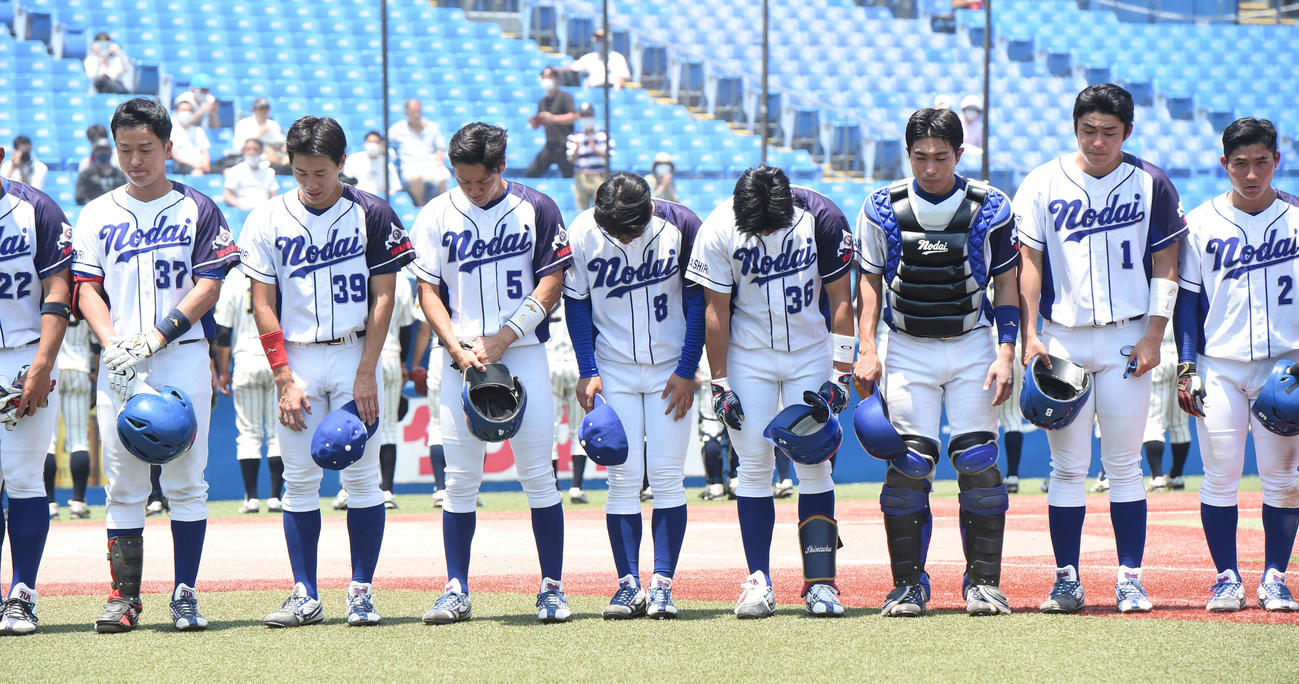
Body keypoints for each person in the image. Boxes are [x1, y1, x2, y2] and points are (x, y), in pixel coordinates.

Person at [237, 115, 415, 628]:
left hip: (357, 350)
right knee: (298, 481)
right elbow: (262, 303)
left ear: (342, 164)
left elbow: (385, 296)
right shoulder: (268, 217)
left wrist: (368, 372)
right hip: (299, 355)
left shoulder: (372, 212)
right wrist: (283, 377)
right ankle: (304, 594)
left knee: (362, 481)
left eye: (321, 172)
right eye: (300, 173)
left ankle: (361, 591)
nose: (311, 184)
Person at [1015, 83, 1186, 614]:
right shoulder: (1042, 182)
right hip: (1062, 336)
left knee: (1124, 464)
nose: (1098, 141)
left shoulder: (1150, 181)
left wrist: (1156, 334)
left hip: (1126, 337)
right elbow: (1029, 265)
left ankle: (1129, 576)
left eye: (1109, 132)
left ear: (1127, 131)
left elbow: (1167, 265)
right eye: (1088, 130)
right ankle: (1067, 577)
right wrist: (1031, 334)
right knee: (1067, 467)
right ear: (1074, 128)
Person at [72, 97, 240, 633]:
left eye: (146, 148)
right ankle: (124, 599)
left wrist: (158, 335)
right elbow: (85, 288)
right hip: (120, 362)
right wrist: (114, 342)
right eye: (126, 150)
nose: (136, 160)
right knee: (123, 482)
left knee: (188, 480)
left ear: (169, 147)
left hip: (182, 355)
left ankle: (185, 593)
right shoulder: (97, 212)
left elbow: (210, 284)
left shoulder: (199, 207)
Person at [853, 108, 1018, 617]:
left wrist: (1007, 352)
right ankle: (907, 585)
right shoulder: (881, 206)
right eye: (920, 156)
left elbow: (1008, 284)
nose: (930, 167)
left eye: (941, 157)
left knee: (978, 461)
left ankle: (984, 583)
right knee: (907, 466)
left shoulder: (991, 205)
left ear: (960, 155)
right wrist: (866, 346)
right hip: (907, 347)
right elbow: (869, 281)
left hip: (973, 344)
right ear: (908, 154)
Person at [408, 122, 573, 624]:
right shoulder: (436, 213)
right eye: (464, 180)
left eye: (481, 180)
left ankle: (551, 587)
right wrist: (457, 348)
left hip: (521, 351)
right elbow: (428, 292)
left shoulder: (537, 207)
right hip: (460, 355)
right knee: (459, 480)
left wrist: (504, 336)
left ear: (501, 166)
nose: (473, 189)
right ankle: (456, 587)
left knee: (539, 475)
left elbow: (553, 282)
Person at [686, 165, 856, 618]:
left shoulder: (821, 216)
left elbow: (842, 297)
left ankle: (821, 583)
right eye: (753, 224)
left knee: (815, 462)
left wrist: (841, 373)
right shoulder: (719, 227)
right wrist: (719, 382)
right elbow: (715, 309)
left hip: (810, 349)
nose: (760, 230)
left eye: (768, 223)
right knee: (754, 465)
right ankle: (758, 580)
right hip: (749, 354)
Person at [1174, 117, 1299, 613]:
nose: (1252, 174)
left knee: (1285, 478)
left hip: (1286, 365)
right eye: (1241, 164)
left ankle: (1274, 576)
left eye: (1262, 163)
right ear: (1224, 163)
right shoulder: (1200, 223)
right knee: (1220, 474)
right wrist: (1187, 366)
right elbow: (1186, 302)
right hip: (1220, 363)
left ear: (1277, 161)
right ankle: (1227, 576)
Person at [565, 173, 703, 618]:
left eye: (631, 228)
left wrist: (687, 369)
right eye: (615, 229)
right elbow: (577, 302)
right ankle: (629, 584)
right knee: (622, 478)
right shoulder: (583, 230)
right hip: (613, 368)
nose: (623, 236)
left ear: (649, 212)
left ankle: (662, 583)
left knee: (666, 476)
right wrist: (588, 370)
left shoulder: (681, 224)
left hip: (670, 370)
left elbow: (700, 301)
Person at [0, 145, 74, 635]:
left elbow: (58, 287)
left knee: (25, 476)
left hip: (26, 350)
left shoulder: (36, 208)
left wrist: (42, 364)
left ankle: (22, 593)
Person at [334, 270, 416, 511]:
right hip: (392, 353)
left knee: (351, 426)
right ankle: (387, 489)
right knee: (388, 426)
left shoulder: (358, 272)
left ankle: (348, 489)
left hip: (360, 356)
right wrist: (403, 362)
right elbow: (406, 328)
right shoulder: (401, 281)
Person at [212, 268, 284, 515]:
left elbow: (222, 333)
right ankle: (275, 497)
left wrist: (223, 371)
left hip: (245, 360)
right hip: (277, 360)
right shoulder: (277, 274)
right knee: (276, 433)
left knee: (249, 433)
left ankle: (252, 498)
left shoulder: (232, 282)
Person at [43, 319, 96, 521]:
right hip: (79, 366)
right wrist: (96, 370)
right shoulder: (81, 291)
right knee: (79, 439)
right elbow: (95, 340)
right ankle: (78, 503)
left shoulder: (48, 291)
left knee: (49, 441)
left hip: (51, 368)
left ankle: (49, 504)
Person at [545, 299, 590, 504]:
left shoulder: (547, 293)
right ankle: (576, 487)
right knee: (578, 428)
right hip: (575, 363)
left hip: (550, 363)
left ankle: (555, 487)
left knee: (550, 429)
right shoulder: (577, 295)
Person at [1142, 326, 1192, 491]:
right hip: (1182, 356)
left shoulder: (1153, 298)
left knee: (1155, 421)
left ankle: (1157, 477)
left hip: (1158, 352)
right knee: (1180, 423)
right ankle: (1177, 476)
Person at [388, 99, 450, 207]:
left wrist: (440, 162)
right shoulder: (397, 130)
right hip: (410, 166)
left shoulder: (431, 127)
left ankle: (444, 207)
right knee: (415, 178)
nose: (416, 115)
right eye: (413, 112)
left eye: (418, 111)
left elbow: (440, 147)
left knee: (443, 176)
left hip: (431, 164)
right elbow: (385, 143)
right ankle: (421, 206)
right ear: (406, 112)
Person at [525, 67, 578, 178]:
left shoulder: (564, 97)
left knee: (569, 176)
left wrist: (553, 118)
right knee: (532, 172)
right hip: (550, 145)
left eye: (549, 77)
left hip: (565, 145)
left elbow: (574, 116)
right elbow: (540, 124)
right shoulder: (542, 101)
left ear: (557, 79)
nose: (546, 79)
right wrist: (534, 122)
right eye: (544, 77)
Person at [566, 103, 612, 211]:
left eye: (588, 115)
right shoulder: (574, 136)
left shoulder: (603, 134)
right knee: (581, 210)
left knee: (601, 210)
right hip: (581, 177)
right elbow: (571, 160)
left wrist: (595, 149)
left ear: (593, 116)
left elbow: (609, 155)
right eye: (583, 115)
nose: (586, 118)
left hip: (599, 176)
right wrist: (577, 149)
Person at [221, 139, 278, 210]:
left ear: (261, 151)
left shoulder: (269, 172)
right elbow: (227, 195)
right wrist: (241, 206)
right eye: (248, 149)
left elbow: (273, 195)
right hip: (242, 211)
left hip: (264, 210)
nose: (251, 152)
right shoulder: (235, 170)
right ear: (243, 151)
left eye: (255, 149)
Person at [342, 131, 400, 197]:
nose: (373, 145)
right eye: (370, 142)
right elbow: (347, 181)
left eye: (376, 142)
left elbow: (395, 185)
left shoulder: (386, 162)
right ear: (365, 143)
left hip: (380, 200)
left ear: (380, 144)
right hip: (358, 198)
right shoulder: (354, 159)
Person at [231, 97, 286, 162]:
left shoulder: (273, 125)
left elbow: (280, 143)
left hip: (272, 158)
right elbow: (239, 147)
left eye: (266, 109)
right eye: (261, 109)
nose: (263, 112)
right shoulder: (243, 124)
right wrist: (259, 134)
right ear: (254, 110)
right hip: (250, 158)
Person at [76, 138, 127, 205]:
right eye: (100, 151)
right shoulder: (86, 174)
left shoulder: (119, 174)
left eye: (105, 150)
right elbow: (79, 197)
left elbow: (124, 196)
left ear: (111, 152)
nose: (103, 153)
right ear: (94, 153)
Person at [169, 101, 211, 175]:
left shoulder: (198, 130)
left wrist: (206, 164)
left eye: (189, 110)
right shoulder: (171, 131)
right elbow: (174, 154)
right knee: (197, 173)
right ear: (176, 111)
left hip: (201, 164)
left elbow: (205, 151)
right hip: (183, 165)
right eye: (183, 110)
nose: (186, 113)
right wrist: (194, 164)